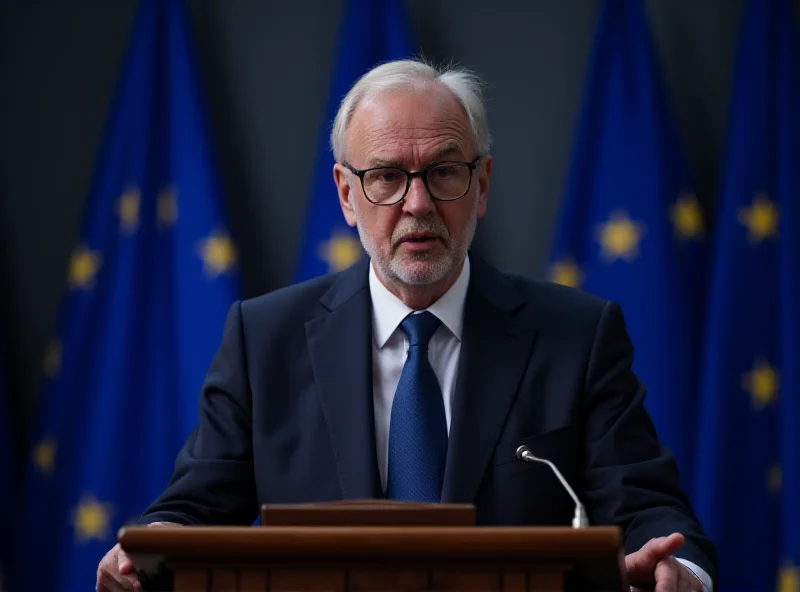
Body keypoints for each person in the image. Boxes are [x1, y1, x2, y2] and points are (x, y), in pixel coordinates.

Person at [97, 59, 717, 592]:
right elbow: (193, 508)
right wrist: (149, 550)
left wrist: (679, 567)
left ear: (482, 185)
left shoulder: (577, 336)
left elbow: (649, 508)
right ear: (345, 195)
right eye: (387, 177)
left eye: (444, 172)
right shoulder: (264, 339)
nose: (418, 205)